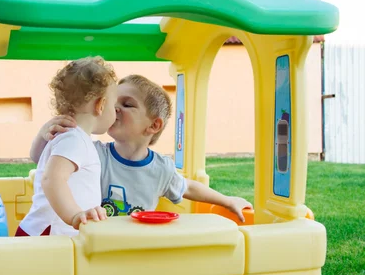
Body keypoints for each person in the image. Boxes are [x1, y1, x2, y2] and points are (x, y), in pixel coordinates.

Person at [30, 74, 253, 221]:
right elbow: (38, 158)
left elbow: (189, 188)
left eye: (127, 105)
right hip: (97, 247)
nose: (115, 109)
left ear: (153, 125)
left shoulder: (160, 169)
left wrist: (228, 200)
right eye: (112, 103)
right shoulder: (94, 153)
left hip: (138, 250)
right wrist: (44, 134)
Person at [16, 56, 118, 237]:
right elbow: (52, 179)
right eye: (114, 105)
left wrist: (42, 135)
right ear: (101, 105)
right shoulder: (75, 140)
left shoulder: (69, 136)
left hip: (46, 231)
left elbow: (37, 157)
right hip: (51, 234)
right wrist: (74, 216)